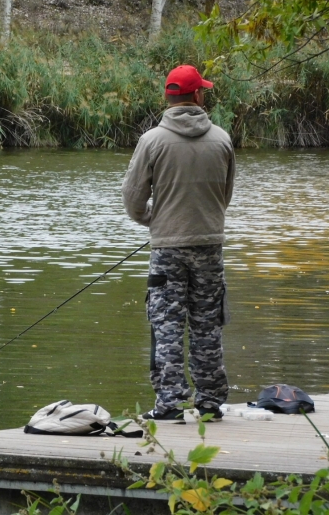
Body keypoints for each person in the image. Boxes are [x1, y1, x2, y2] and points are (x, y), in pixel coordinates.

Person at [121, 64, 235, 421]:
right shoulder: (222, 139)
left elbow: (132, 196)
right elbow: (225, 194)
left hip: (167, 249)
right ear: (197, 95)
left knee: (167, 326)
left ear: (167, 98)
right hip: (209, 245)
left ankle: (169, 404)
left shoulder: (151, 141)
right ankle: (210, 402)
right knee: (207, 324)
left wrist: (153, 220)